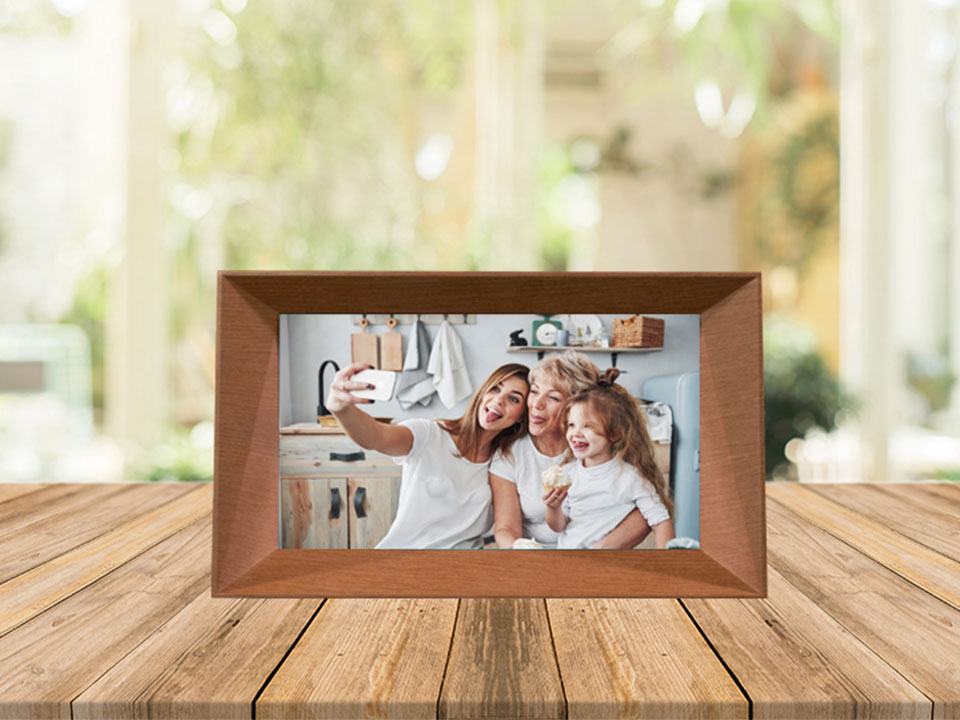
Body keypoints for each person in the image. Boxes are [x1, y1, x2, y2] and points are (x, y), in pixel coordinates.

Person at [326, 361, 530, 549]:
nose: (499, 400)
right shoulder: (428, 434)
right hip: (406, 559)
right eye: (495, 388)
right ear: (483, 393)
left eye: (513, 399)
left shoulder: (504, 463)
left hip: (463, 569)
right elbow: (377, 437)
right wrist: (341, 409)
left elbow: (508, 528)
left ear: (521, 416)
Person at [489, 352, 652, 549]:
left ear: (577, 406)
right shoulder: (510, 455)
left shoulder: (599, 447)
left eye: (553, 398)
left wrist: (597, 552)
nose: (536, 405)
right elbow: (506, 529)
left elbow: (648, 512)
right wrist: (520, 550)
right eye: (534, 391)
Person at [543, 368, 676, 550]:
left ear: (614, 434)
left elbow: (661, 522)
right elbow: (559, 527)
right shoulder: (568, 473)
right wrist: (553, 508)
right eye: (572, 425)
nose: (575, 433)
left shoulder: (630, 477)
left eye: (587, 426)